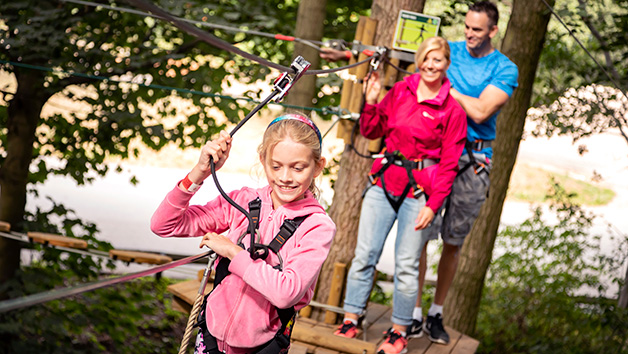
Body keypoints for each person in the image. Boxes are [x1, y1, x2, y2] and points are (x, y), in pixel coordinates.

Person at [150, 114, 336, 354]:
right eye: (276, 166)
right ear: (263, 160)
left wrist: (232, 252)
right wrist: (199, 172)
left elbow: (286, 293)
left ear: (318, 166)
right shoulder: (243, 201)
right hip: (211, 337)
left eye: (298, 168)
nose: (285, 177)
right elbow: (164, 224)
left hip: (261, 346)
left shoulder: (317, 226)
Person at [333, 37, 467, 354]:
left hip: (419, 192)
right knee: (364, 255)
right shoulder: (402, 91)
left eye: (438, 60)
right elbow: (371, 131)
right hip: (383, 184)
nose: (431, 66)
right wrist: (371, 99)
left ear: (447, 64)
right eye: (426, 59)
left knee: (406, 265)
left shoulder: (452, 109)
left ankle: (399, 332)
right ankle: (352, 319)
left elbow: (449, 166)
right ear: (419, 61)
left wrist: (434, 206)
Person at [407, 1, 519, 345]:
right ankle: (411, 313)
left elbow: (482, 111)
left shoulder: (505, 68)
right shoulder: (448, 51)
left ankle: (436, 313)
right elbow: (414, 74)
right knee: (420, 234)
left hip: (474, 158)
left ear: (493, 31)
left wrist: (446, 90)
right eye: (467, 28)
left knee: (453, 241)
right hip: (436, 154)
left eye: (478, 30)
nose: (470, 35)